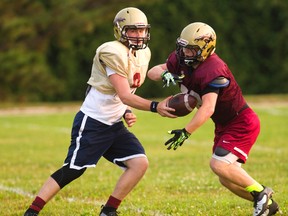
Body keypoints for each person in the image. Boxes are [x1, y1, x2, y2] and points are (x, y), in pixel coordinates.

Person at [24, 7, 176, 216]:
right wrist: (155, 106)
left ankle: (109, 210)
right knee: (73, 170)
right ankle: (32, 211)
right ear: (120, 30)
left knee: (139, 163)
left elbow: (126, 92)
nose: (139, 35)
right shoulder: (111, 52)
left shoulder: (142, 53)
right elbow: (123, 94)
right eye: (133, 30)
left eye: (142, 30)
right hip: (93, 122)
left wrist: (126, 111)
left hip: (114, 124)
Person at [148, 22, 279, 216]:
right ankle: (267, 204)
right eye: (183, 47)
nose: (184, 53)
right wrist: (166, 73)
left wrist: (185, 132)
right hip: (224, 124)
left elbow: (208, 108)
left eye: (191, 49)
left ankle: (261, 193)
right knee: (226, 178)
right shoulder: (181, 59)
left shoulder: (213, 69)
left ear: (205, 48)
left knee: (218, 165)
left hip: (241, 122)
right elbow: (152, 72)